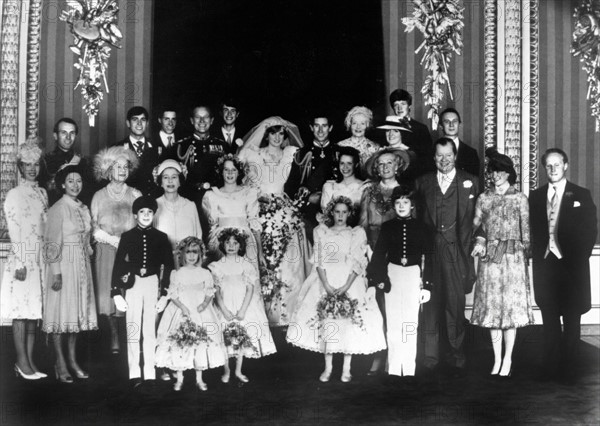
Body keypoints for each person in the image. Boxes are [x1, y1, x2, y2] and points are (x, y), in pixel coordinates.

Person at [287, 197, 386, 382]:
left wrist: (347, 286)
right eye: (337, 212)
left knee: (348, 322)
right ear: (331, 213)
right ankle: (328, 367)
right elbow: (318, 260)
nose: (340, 216)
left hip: (348, 279)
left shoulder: (356, 233)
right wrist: (326, 284)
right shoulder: (321, 231)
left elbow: (358, 260)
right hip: (327, 279)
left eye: (344, 212)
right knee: (328, 320)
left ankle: (346, 369)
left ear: (349, 214)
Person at [529, 148, 597, 384]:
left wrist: (576, 260)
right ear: (544, 168)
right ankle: (550, 368)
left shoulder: (581, 194)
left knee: (571, 319)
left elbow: (590, 232)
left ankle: (570, 370)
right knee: (549, 319)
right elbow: (532, 232)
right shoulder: (535, 197)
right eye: (548, 165)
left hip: (572, 269)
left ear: (566, 166)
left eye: (557, 164)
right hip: (546, 267)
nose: (553, 169)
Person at [414, 137, 479, 378]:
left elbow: (479, 219)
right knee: (429, 306)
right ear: (434, 158)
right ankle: (430, 357)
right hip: (430, 253)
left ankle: (456, 356)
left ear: (455, 156)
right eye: (439, 156)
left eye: (448, 155)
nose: (444, 160)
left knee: (455, 305)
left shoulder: (470, 182)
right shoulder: (423, 183)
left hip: (457, 253)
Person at [237, 116, 311, 326]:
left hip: (283, 209)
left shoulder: (290, 154)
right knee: (261, 258)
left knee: (289, 260)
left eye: (281, 133)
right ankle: (262, 314)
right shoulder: (252, 154)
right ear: (266, 134)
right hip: (259, 209)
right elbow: (238, 174)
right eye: (273, 133)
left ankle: (286, 314)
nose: (278, 137)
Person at [470, 149, 534, 377]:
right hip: (490, 261)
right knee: (494, 312)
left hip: (514, 260)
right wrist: (479, 239)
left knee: (510, 313)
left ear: (509, 173)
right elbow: (476, 226)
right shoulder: (484, 198)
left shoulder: (520, 199)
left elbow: (526, 233)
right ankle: (496, 359)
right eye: (491, 170)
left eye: (499, 170)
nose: (494, 175)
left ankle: (508, 359)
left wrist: (523, 259)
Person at [367, 185, 434, 378]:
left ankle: (409, 368)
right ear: (393, 205)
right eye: (398, 202)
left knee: (410, 323)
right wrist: (380, 279)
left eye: (406, 202)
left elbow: (429, 257)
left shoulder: (423, 228)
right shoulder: (388, 227)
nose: (402, 206)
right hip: (393, 274)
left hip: (413, 275)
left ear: (412, 205)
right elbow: (379, 255)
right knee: (394, 322)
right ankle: (395, 369)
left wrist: (427, 285)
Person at [42, 164, 98, 383]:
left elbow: (86, 239)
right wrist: (56, 272)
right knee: (60, 314)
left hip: (81, 264)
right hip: (63, 266)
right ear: (63, 184)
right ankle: (60, 363)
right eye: (71, 181)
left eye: (79, 181)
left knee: (75, 316)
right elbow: (50, 243)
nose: (75, 185)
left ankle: (73, 361)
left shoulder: (82, 207)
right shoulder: (58, 208)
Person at [111, 195, 175, 387]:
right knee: (133, 327)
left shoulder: (161, 237)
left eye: (149, 212)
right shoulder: (127, 236)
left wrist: (165, 293)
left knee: (150, 329)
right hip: (134, 283)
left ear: (154, 214)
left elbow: (169, 266)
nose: (146, 215)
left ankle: (149, 372)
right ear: (135, 215)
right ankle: (134, 372)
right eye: (142, 212)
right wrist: (115, 292)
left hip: (153, 283)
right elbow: (119, 264)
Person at [359, 147, 410, 375]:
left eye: (390, 163)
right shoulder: (369, 192)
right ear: (376, 169)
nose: (385, 167)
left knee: (397, 307)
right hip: (374, 253)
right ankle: (379, 355)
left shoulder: (406, 191)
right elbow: (362, 225)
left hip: (399, 256)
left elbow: (412, 225)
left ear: (397, 165)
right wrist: (367, 252)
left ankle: (397, 356)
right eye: (381, 164)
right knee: (377, 306)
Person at [1, 140, 48, 380]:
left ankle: (29, 362)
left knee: (33, 313)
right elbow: (14, 229)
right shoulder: (14, 194)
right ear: (20, 167)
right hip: (22, 259)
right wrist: (20, 262)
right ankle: (21, 361)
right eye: (26, 164)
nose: (31, 168)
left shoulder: (42, 193)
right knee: (20, 312)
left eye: (35, 164)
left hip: (38, 259)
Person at [155, 237, 226, 391]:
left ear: (200, 254)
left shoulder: (205, 273)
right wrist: (182, 307)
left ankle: (199, 378)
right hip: (182, 310)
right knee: (180, 341)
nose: (191, 255)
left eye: (195, 252)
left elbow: (209, 292)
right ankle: (179, 378)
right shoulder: (177, 273)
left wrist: (204, 304)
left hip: (200, 311)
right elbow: (173, 294)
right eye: (188, 252)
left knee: (200, 341)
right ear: (182, 254)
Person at [90, 146, 141, 355]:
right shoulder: (98, 196)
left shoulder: (135, 194)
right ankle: (113, 334)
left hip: (129, 250)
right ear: (109, 170)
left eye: (125, 166)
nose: (122, 170)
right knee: (108, 294)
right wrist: (110, 239)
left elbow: (143, 221)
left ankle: (128, 333)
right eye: (117, 166)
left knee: (128, 291)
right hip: (106, 250)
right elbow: (92, 226)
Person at [209, 228, 277, 383]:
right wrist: (224, 310)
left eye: (235, 243)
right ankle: (226, 370)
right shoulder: (217, 266)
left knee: (241, 336)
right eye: (228, 242)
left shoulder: (246, 265)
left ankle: (238, 371)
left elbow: (250, 289)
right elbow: (216, 291)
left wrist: (243, 310)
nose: (231, 246)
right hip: (224, 305)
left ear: (240, 246)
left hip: (242, 305)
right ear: (222, 244)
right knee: (225, 337)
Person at [201, 154, 262, 269]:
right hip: (222, 241)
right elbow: (212, 224)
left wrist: (261, 252)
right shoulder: (213, 195)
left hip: (246, 240)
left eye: (233, 170)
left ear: (239, 172)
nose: (230, 173)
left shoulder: (248, 193)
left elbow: (254, 223)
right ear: (221, 172)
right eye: (226, 170)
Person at [288, 113, 338, 241]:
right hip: (308, 213)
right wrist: (308, 197)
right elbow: (290, 186)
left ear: (330, 128)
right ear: (311, 128)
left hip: (336, 214)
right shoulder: (300, 154)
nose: (320, 130)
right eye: (316, 126)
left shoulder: (338, 152)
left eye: (324, 126)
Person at [177, 105, 229, 225]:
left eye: (205, 117)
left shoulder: (222, 145)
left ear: (212, 121)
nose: (201, 121)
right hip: (190, 199)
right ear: (191, 120)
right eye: (197, 117)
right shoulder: (181, 146)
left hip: (217, 201)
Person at [152, 159, 202, 263]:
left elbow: (198, 237)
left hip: (188, 262)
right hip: (163, 262)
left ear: (180, 181)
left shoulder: (190, 205)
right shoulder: (154, 206)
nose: (170, 181)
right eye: (166, 177)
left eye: (174, 177)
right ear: (160, 182)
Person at [38, 118, 94, 206]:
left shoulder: (84, 162)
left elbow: (89, 195)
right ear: (55, 135)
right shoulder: (44, 161)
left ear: (76, 136)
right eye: (64, 132)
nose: (68, 137)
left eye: (72, 133)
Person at [113, 106, 160, 197]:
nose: (139, 123)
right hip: (126, 198)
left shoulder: (157, 147)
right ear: (128, 123)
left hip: (151, 200)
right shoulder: (117, 148)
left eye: (143, 120)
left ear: (147, 123)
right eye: (135, 119)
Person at [389, 88, 434, 178]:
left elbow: (428, 158)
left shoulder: (421, 128)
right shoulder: (388, 129)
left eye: (403, 104)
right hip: (393, 177)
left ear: (409, 106)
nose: (399, 108)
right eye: (396, 105)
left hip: (416, 175)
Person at [320, 146, 366, 223]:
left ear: (356, 164)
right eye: (342, 163)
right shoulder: (329, 186)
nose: (345, 167)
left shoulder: (364, 186)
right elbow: (326, 215)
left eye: (349, 163)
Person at [438, 108, 480, 178]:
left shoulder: (471, 153)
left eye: (454, 121)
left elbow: (473, 183)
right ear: (441, 126)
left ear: (459, 125)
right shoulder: (430, 152)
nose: (451, 125)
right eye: (447, 122)